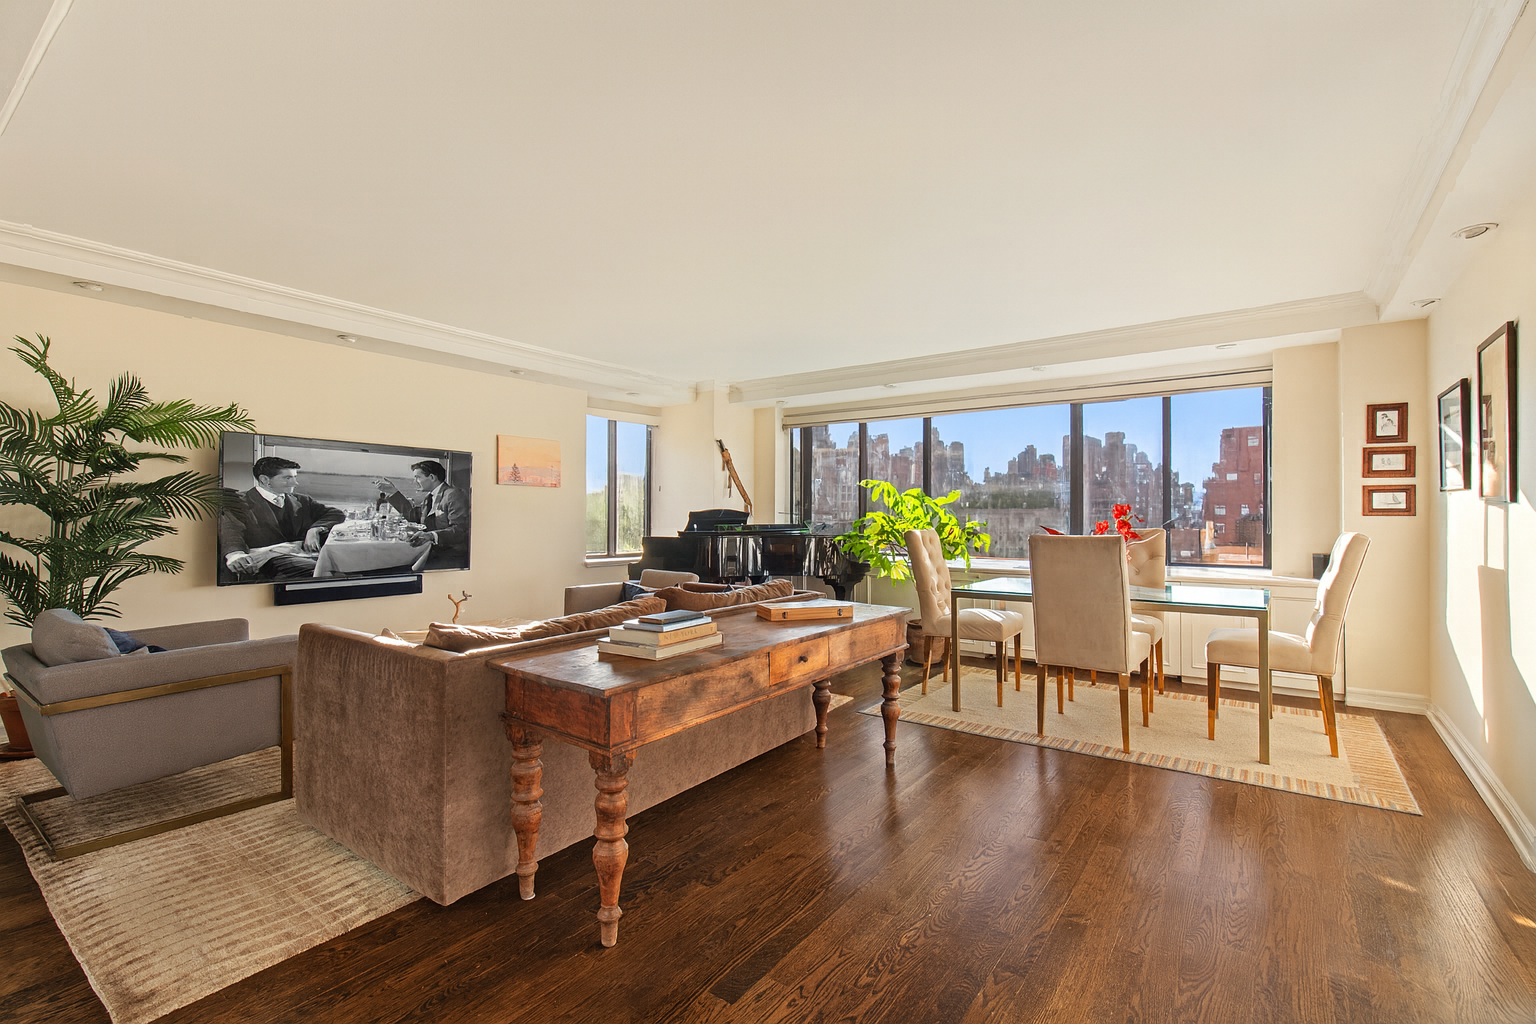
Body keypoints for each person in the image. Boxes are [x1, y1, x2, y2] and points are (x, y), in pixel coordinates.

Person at [220, 456, 345, 581]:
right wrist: (235, 555)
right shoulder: (239, 502)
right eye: (287, 478)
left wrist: (315, 529)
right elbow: (231, 533)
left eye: (294, 477)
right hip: (267, 560)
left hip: (302, 555)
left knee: (345, 566)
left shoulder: (302, 500)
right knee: (329, 572)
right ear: (264, 480)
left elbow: (336, 514)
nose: (295, 483)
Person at [373, 460, 470, 570]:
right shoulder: (429, 498)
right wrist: (393, 492)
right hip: (432, 552)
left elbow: (461, 530)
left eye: (418, 477)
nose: (414, 482)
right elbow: (413, 516)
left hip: (450, 556)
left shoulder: (453, 495)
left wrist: (431, 535)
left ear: (432, 477)